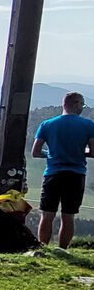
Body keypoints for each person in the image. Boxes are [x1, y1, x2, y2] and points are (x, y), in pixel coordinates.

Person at [31, 92, 94, 249]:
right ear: (77, 104)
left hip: (53, 173)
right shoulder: (88, 125)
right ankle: (62, 250)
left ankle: (43, 249)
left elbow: (36, 151)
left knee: (47, 214)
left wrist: (52, 154)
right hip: (76, 174)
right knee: (68, 216)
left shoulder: (47, 124)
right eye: (82, 105)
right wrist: (80, 152)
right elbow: (93, 152)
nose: (82, 108)